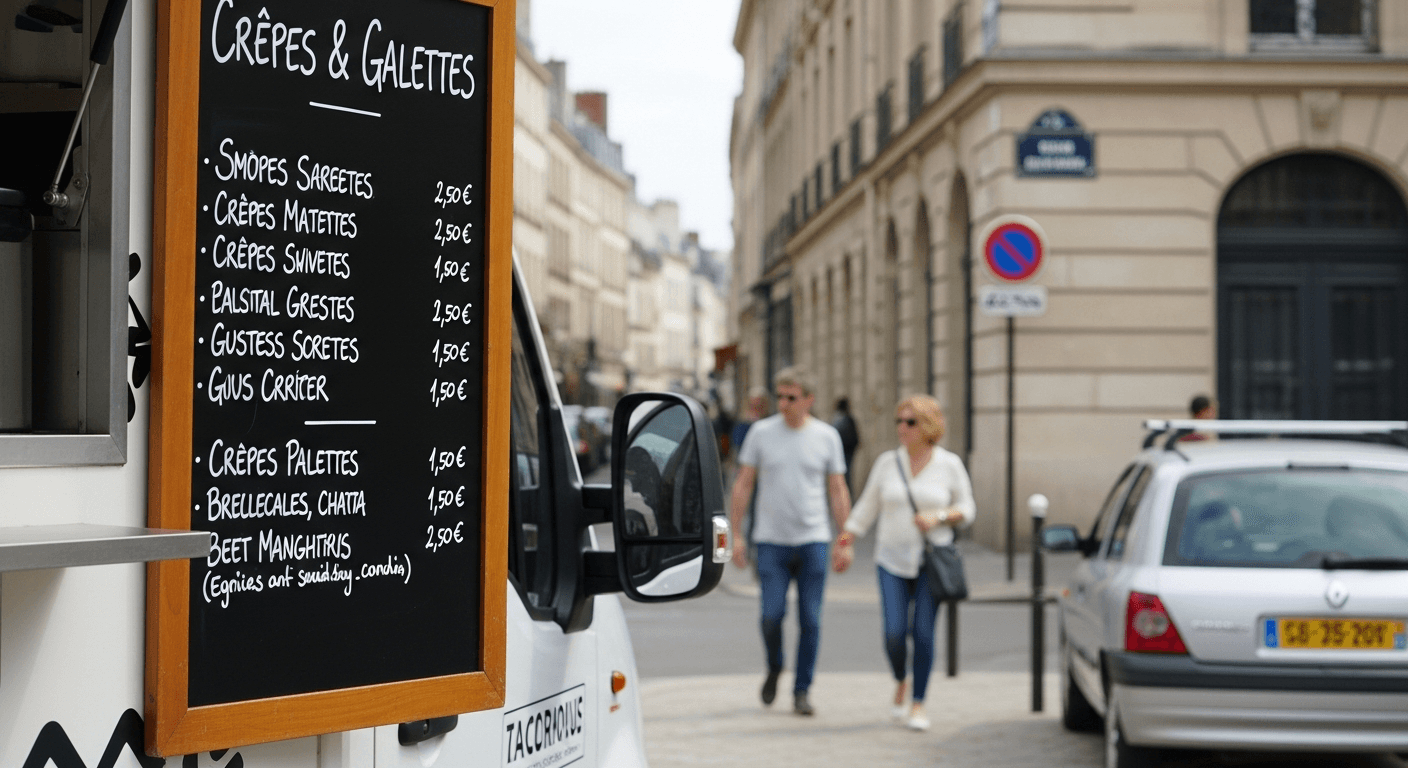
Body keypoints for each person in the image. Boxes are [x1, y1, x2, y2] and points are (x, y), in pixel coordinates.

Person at [833, 394, 974, 732]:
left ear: (928, 426)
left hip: (931, 561)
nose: (902, 428)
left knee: (923, 634)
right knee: (894, 633)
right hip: (891, 560)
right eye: (899, 421)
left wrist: (938, 516)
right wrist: (845, 540)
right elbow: (867, 506)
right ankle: (900, 678)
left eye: (910, 422)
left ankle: (918, 702)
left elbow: (967, 510)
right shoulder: (886, 463)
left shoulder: (949, 464)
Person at [729, 367, 850, 717]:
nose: (783, 403)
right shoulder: (761, 434)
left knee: (811, 620)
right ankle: (775, 666)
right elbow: (743, 484)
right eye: (779, 397)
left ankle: (802, 690)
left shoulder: (826, 436)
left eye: (791, 397)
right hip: (771, 541)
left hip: (813, 540)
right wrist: (737, 535)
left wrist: (845, 539)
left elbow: (837, 489)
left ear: (809, 400)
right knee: (771, 615)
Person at [830, 396, 861, 494]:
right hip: (846, 453)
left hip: (844, 453)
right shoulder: (845, 420)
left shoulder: (837, 420)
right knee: (845, 479)